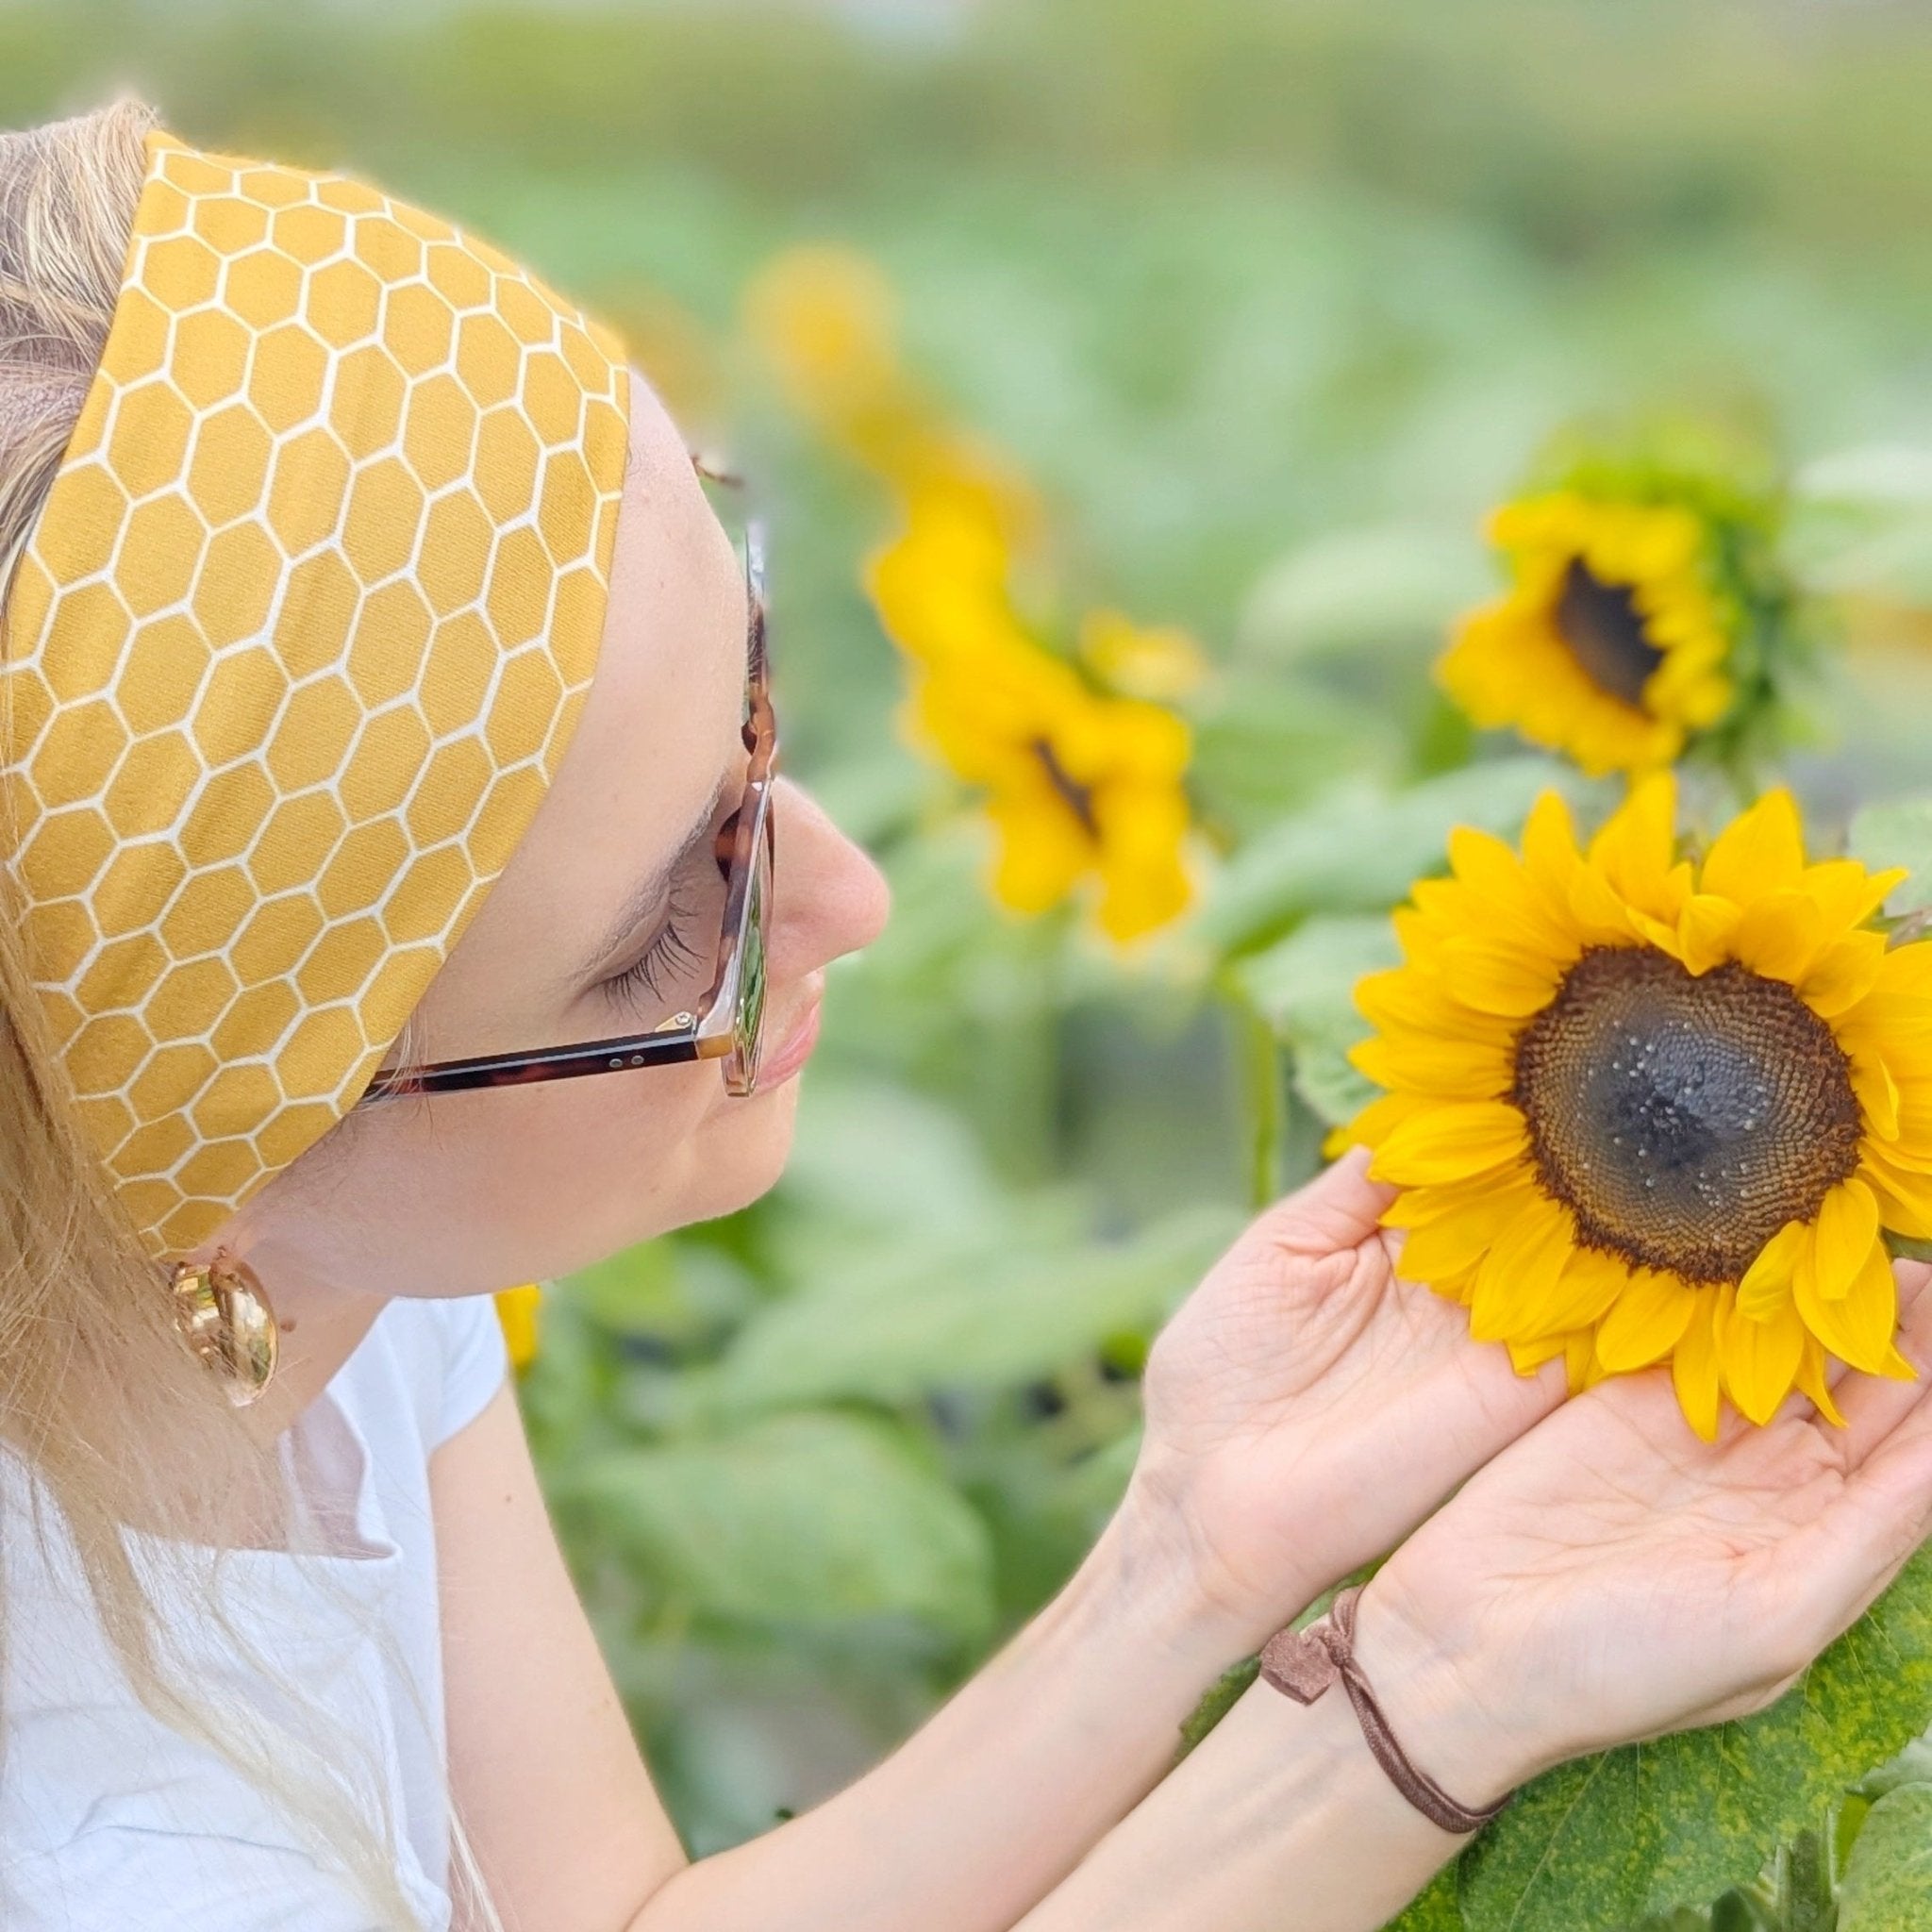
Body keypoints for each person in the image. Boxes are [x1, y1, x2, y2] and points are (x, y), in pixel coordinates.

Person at [2, 94, 1931, 1932]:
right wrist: (1432, 1706)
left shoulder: (319, 1273)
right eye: (662, 930)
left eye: (751, 702)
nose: (849, 891)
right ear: (220, 1171)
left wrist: (1197, 1545)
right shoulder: (112, 1859)